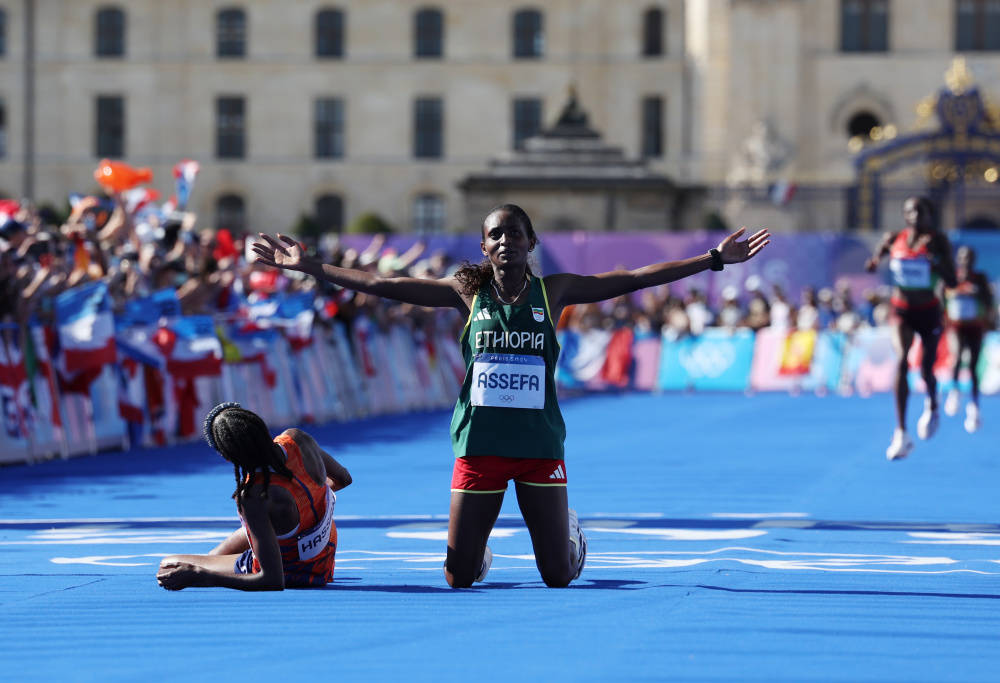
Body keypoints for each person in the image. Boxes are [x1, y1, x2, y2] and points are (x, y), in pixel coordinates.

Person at [252, 205, 769, 588]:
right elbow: (385, 284)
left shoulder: (556, 291)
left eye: (514, 233)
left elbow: (631, 279)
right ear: (483, 247)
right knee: (458, 578)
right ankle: (478, 552)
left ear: (531, 242)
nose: (505, 242)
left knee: (557, 578)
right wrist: (313, 268)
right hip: (479, 448)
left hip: (539, 448)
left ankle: (570, 536)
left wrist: (711, 260)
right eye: (495, 235)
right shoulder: (465, 293)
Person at [156, 403, 352, 590]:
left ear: (228, 457)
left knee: (170, 564)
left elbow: (272, 580)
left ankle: (275, 540)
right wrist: (307, 503)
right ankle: (284, 532)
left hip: (296, 572)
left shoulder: (255, 495)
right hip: (325, 557)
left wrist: (201, 576)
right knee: (214, 556)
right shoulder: (297, 439)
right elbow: (344, 478)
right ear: (262, 429)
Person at [865, 196, 957, 461]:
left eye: (920, 211)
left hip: (929, 312)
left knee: (927, 369)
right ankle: (902, 433)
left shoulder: (938, 241)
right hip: (902, 310)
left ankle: (932, 403)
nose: (915, 215)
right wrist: (873, 263)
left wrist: (936, 263)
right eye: (909, 211)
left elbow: (951, 282)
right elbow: (878, 255)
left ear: (929, 214)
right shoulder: (895, 238)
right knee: (903, 361)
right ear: (904, 215)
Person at [942, 246, 995, 433]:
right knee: (956, 358)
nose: (966, 261)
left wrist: (976, 292)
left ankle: (974, 406)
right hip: (956, 326)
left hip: (975, 326)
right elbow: (941, 297)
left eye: (970, 258)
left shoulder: (980, 278)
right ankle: (954, 392)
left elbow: (989, 301)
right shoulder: (951, 277)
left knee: (973, 365)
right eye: (963, 257)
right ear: (958, 259)